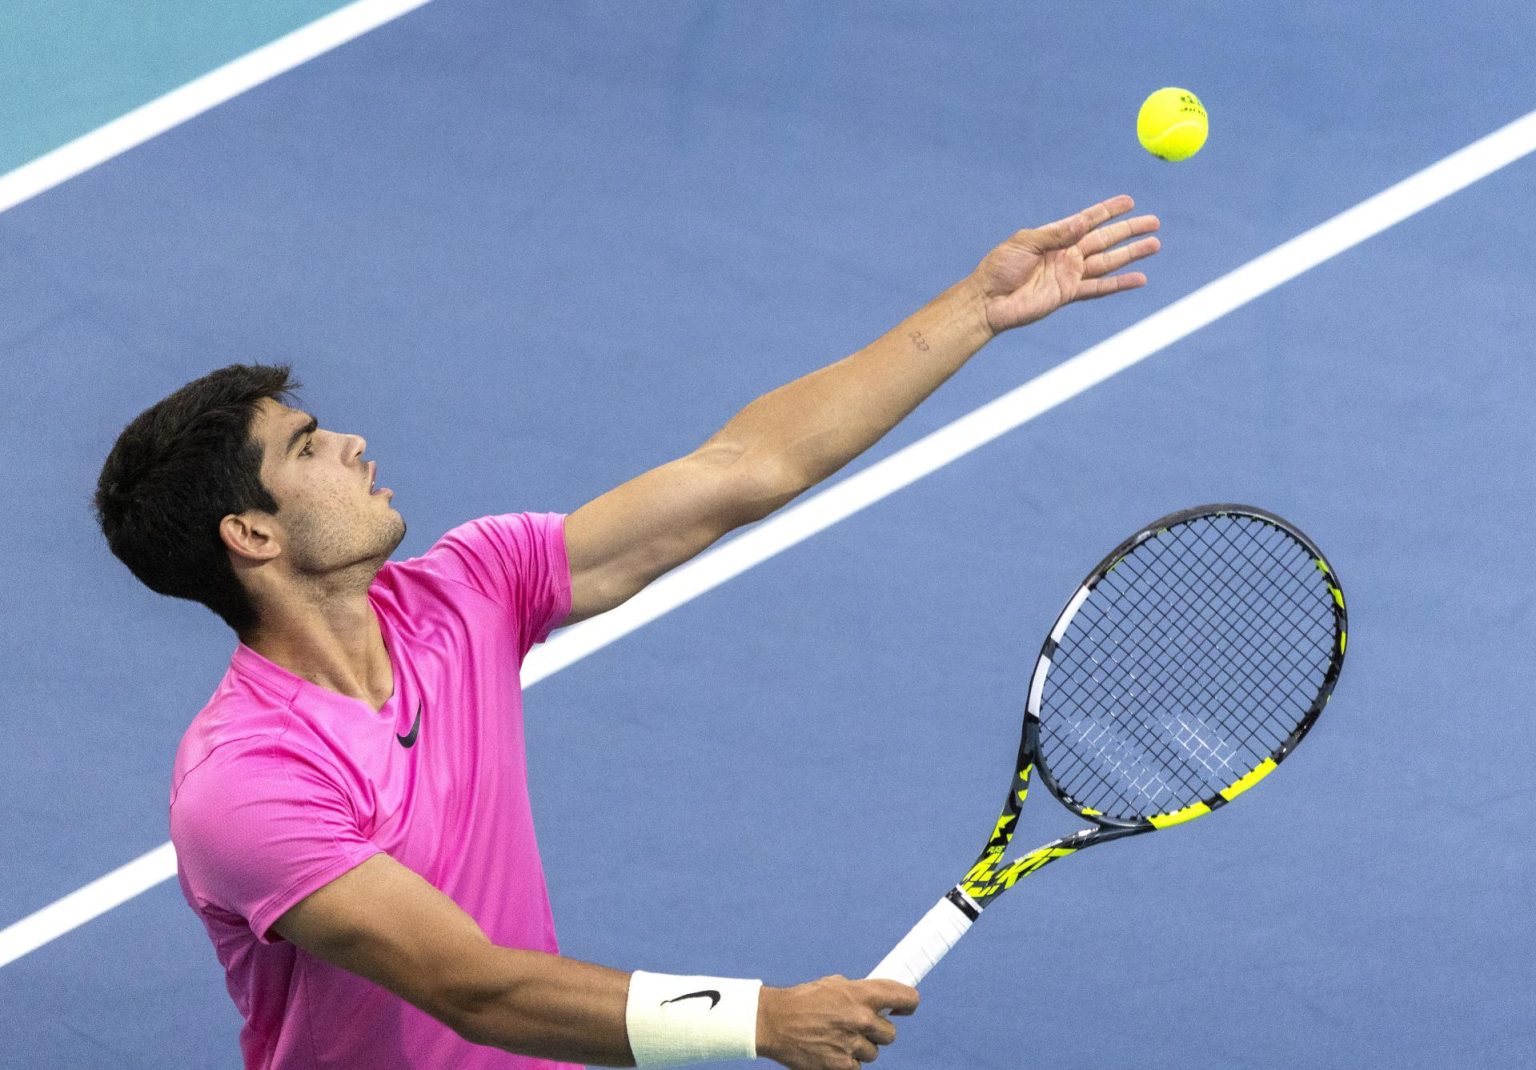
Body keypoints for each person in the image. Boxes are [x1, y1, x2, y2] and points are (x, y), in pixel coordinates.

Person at [93, 195, 1159, 1070]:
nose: (353, 442)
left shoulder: (467, 591)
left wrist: (976, 305)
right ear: (250, 532)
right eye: (310, 447)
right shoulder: (249, 785)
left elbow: (741, 468)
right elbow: (472, 984)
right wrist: (759, 1016)